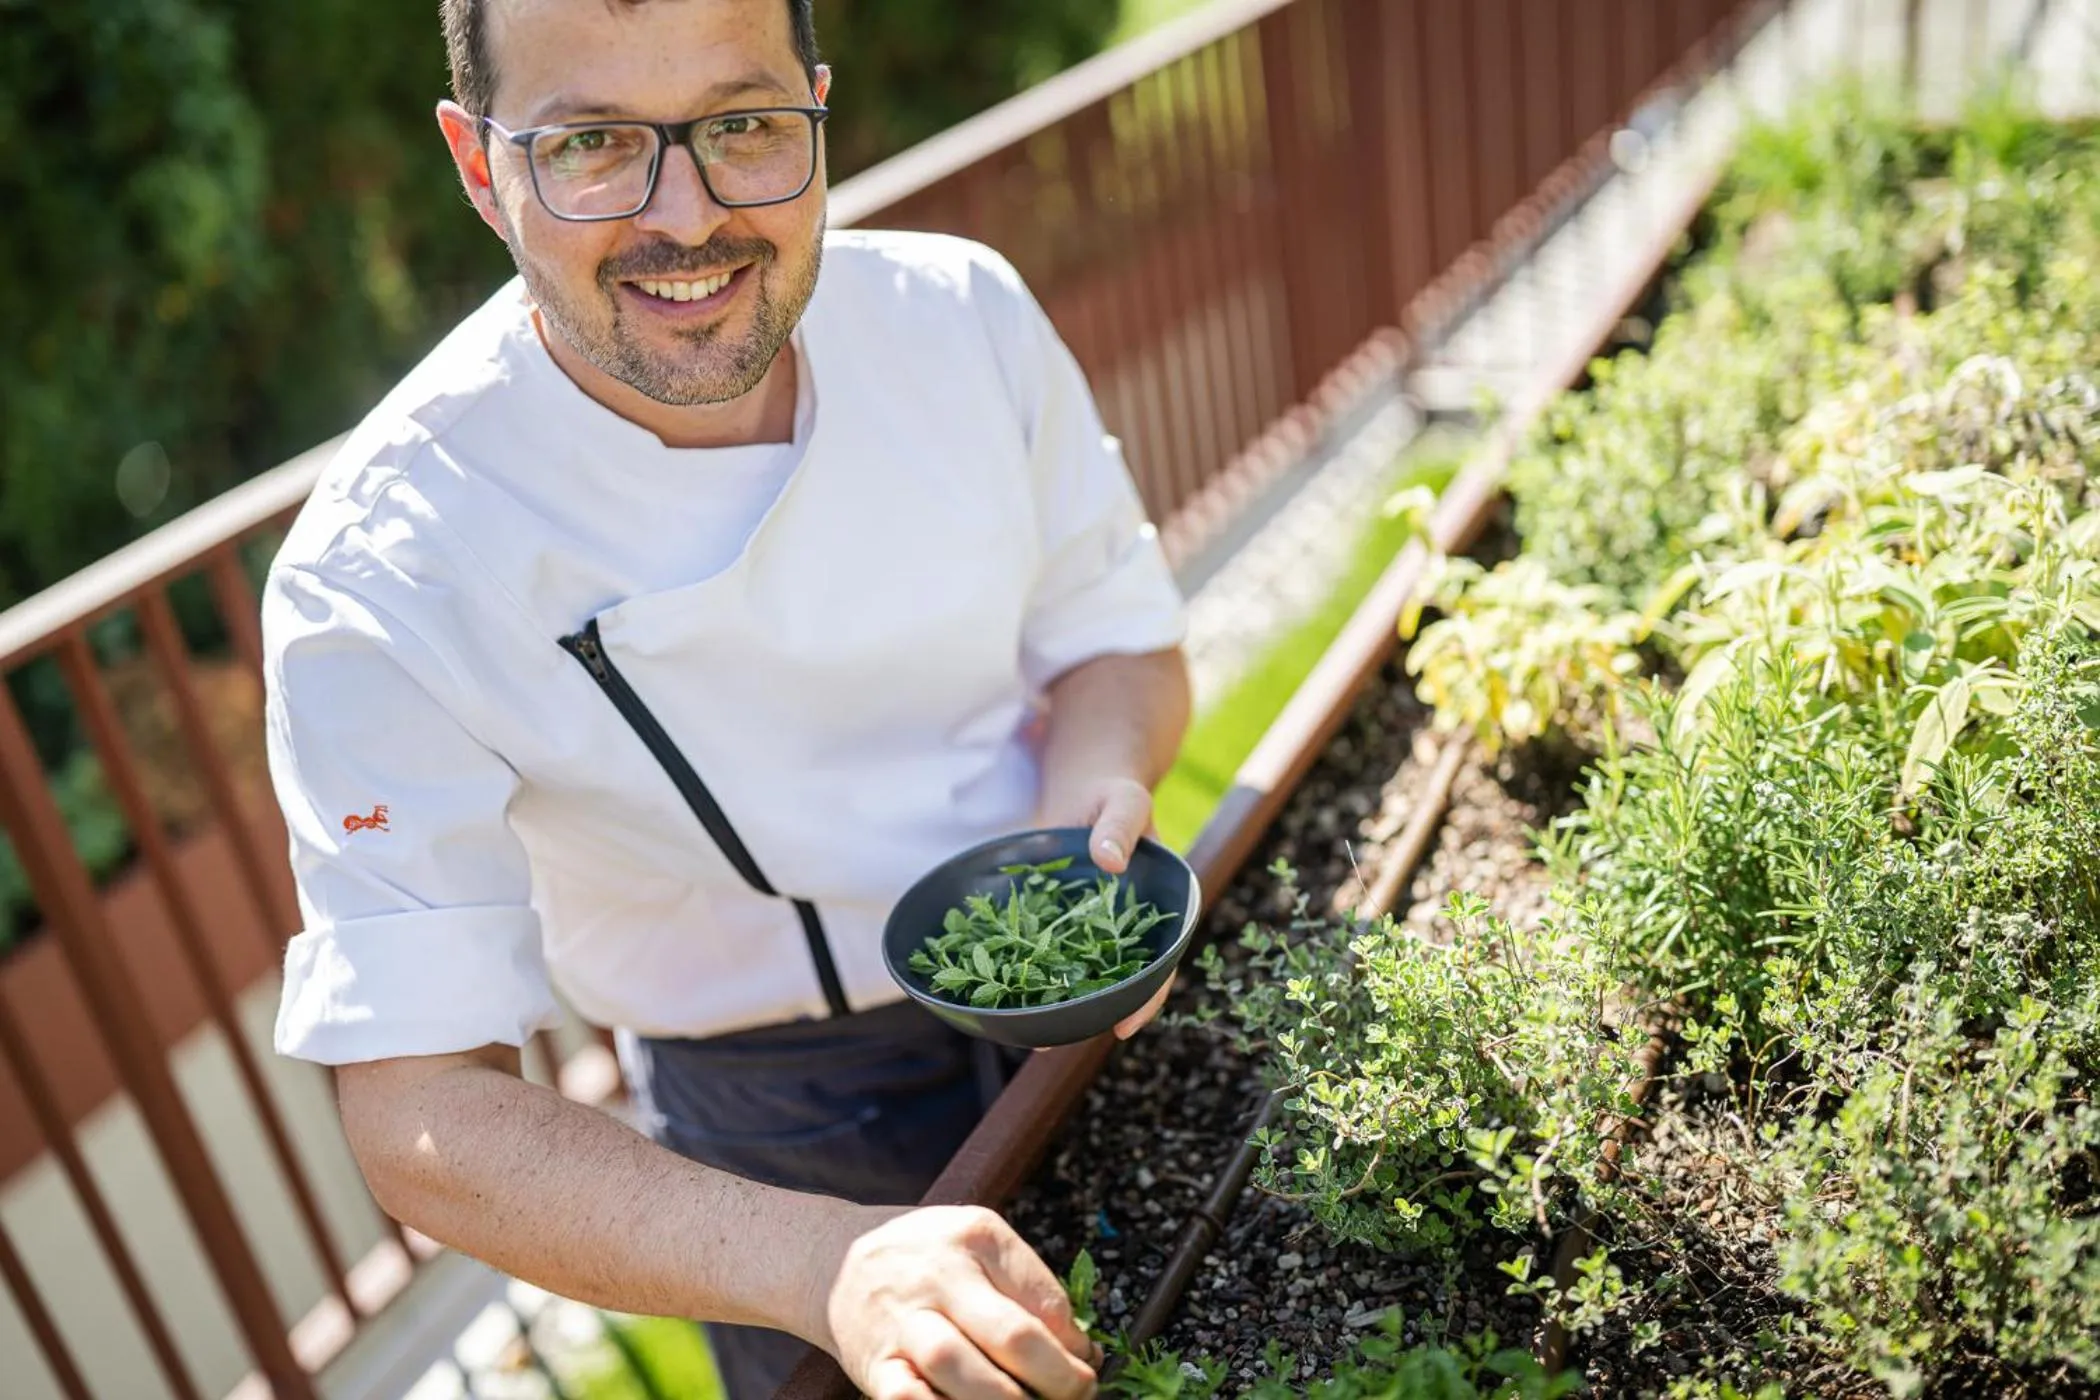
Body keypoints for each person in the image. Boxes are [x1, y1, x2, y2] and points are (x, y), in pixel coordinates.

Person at [261, 0, 1192, 1396]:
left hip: (1074, 982)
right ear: (477, 164)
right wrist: (826, 1264)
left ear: (818, 111)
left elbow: (1118, 644)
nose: (685, 217)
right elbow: (417, 1106)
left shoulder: (962, 317)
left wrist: (1083, 844)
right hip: (774, 1124)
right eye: (591, 144)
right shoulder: (381, 570)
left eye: (745, 124)